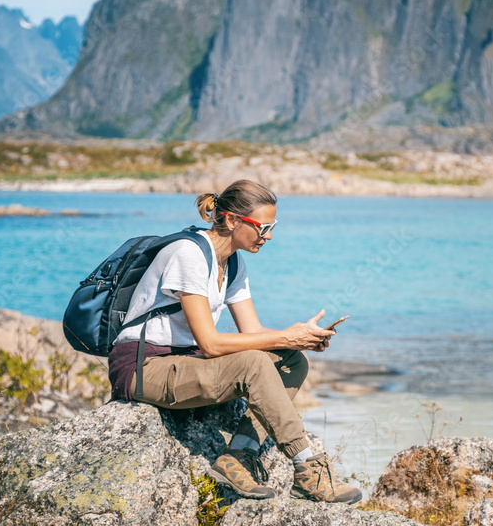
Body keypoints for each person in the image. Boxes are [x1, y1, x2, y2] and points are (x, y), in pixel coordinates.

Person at [106, 179, 361, 504]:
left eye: (273, 227)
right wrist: (285, 335)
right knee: (256, 362)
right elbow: (210, 344)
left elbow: (252, 332)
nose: (268, 236)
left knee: (290, 360)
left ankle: (238, 456)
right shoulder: (189, 254)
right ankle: (308, 469)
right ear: (230, 220)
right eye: (263, 227)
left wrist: (299, 341)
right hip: (144, 368)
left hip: (185, 363)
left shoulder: (234, 262)